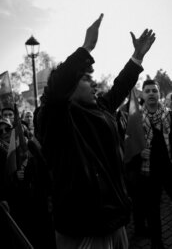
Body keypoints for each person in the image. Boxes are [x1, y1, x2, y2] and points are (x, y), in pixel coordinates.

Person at [37, 13, 156, 249]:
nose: (93, 83)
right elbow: (54, 90)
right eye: (85, 79)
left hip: (115, 222)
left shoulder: (100, 108)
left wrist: (137, 57)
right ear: (68, 88)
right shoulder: (53, 118)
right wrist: (87, 47)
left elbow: (121, 86)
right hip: (82, 230)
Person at [129, 79, 172, 249]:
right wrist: (139, 154)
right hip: (149, 173)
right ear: (142, 95)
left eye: (154, 90)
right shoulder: (136, 120)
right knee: (153, 212)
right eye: (148, 91)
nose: (152, 93)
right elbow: (130, 150)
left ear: (159, 94)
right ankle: (157, 244)